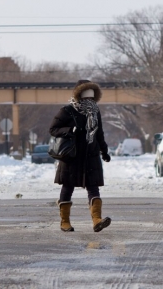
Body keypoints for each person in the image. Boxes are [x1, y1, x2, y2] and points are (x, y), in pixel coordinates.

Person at [49, 80, 112, 232]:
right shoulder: (67, 110)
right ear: (79, 96)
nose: (88, 101)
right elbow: (53, 129)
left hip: (90, 155)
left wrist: (104, 151)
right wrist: (71, 130)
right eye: (86, 98)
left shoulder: (95, 112)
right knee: (67, 187)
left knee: (93, 188)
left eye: (91, 98)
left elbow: (99, 134)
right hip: (72, 156)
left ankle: (97, 220)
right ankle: (65, 222)